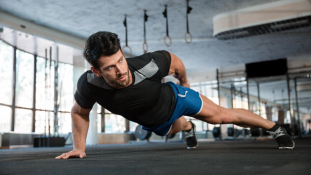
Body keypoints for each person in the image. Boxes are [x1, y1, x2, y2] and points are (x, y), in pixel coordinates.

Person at [56, 31, 294, 159]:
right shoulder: (89, 85)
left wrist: (185, 81)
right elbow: (79, 112)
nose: (121, 71)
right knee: (174, 128)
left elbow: (175, 61)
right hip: (156, 121)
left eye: (120, 60)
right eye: (110, 67)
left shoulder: (148, 64)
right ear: (96, 71)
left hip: (175, 98)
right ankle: (188, 128)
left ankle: (276, 128)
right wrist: (79, 147)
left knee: (221, 116)